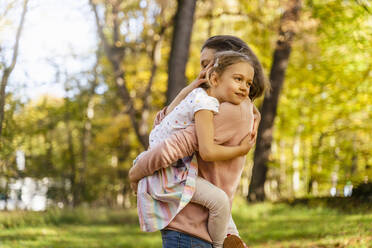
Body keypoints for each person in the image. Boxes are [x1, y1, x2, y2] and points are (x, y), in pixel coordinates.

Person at [129, 35, 269, 248]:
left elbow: (174, 146)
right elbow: (162, 124)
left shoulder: (228, 108)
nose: (202, 73)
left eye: (207, 64)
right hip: (190, 224)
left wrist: (137, 172)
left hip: (191, 230)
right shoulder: (211, 103)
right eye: (201, 65)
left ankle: (225, 241)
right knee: (220, 203)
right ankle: (226, 239)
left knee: (220, 202)